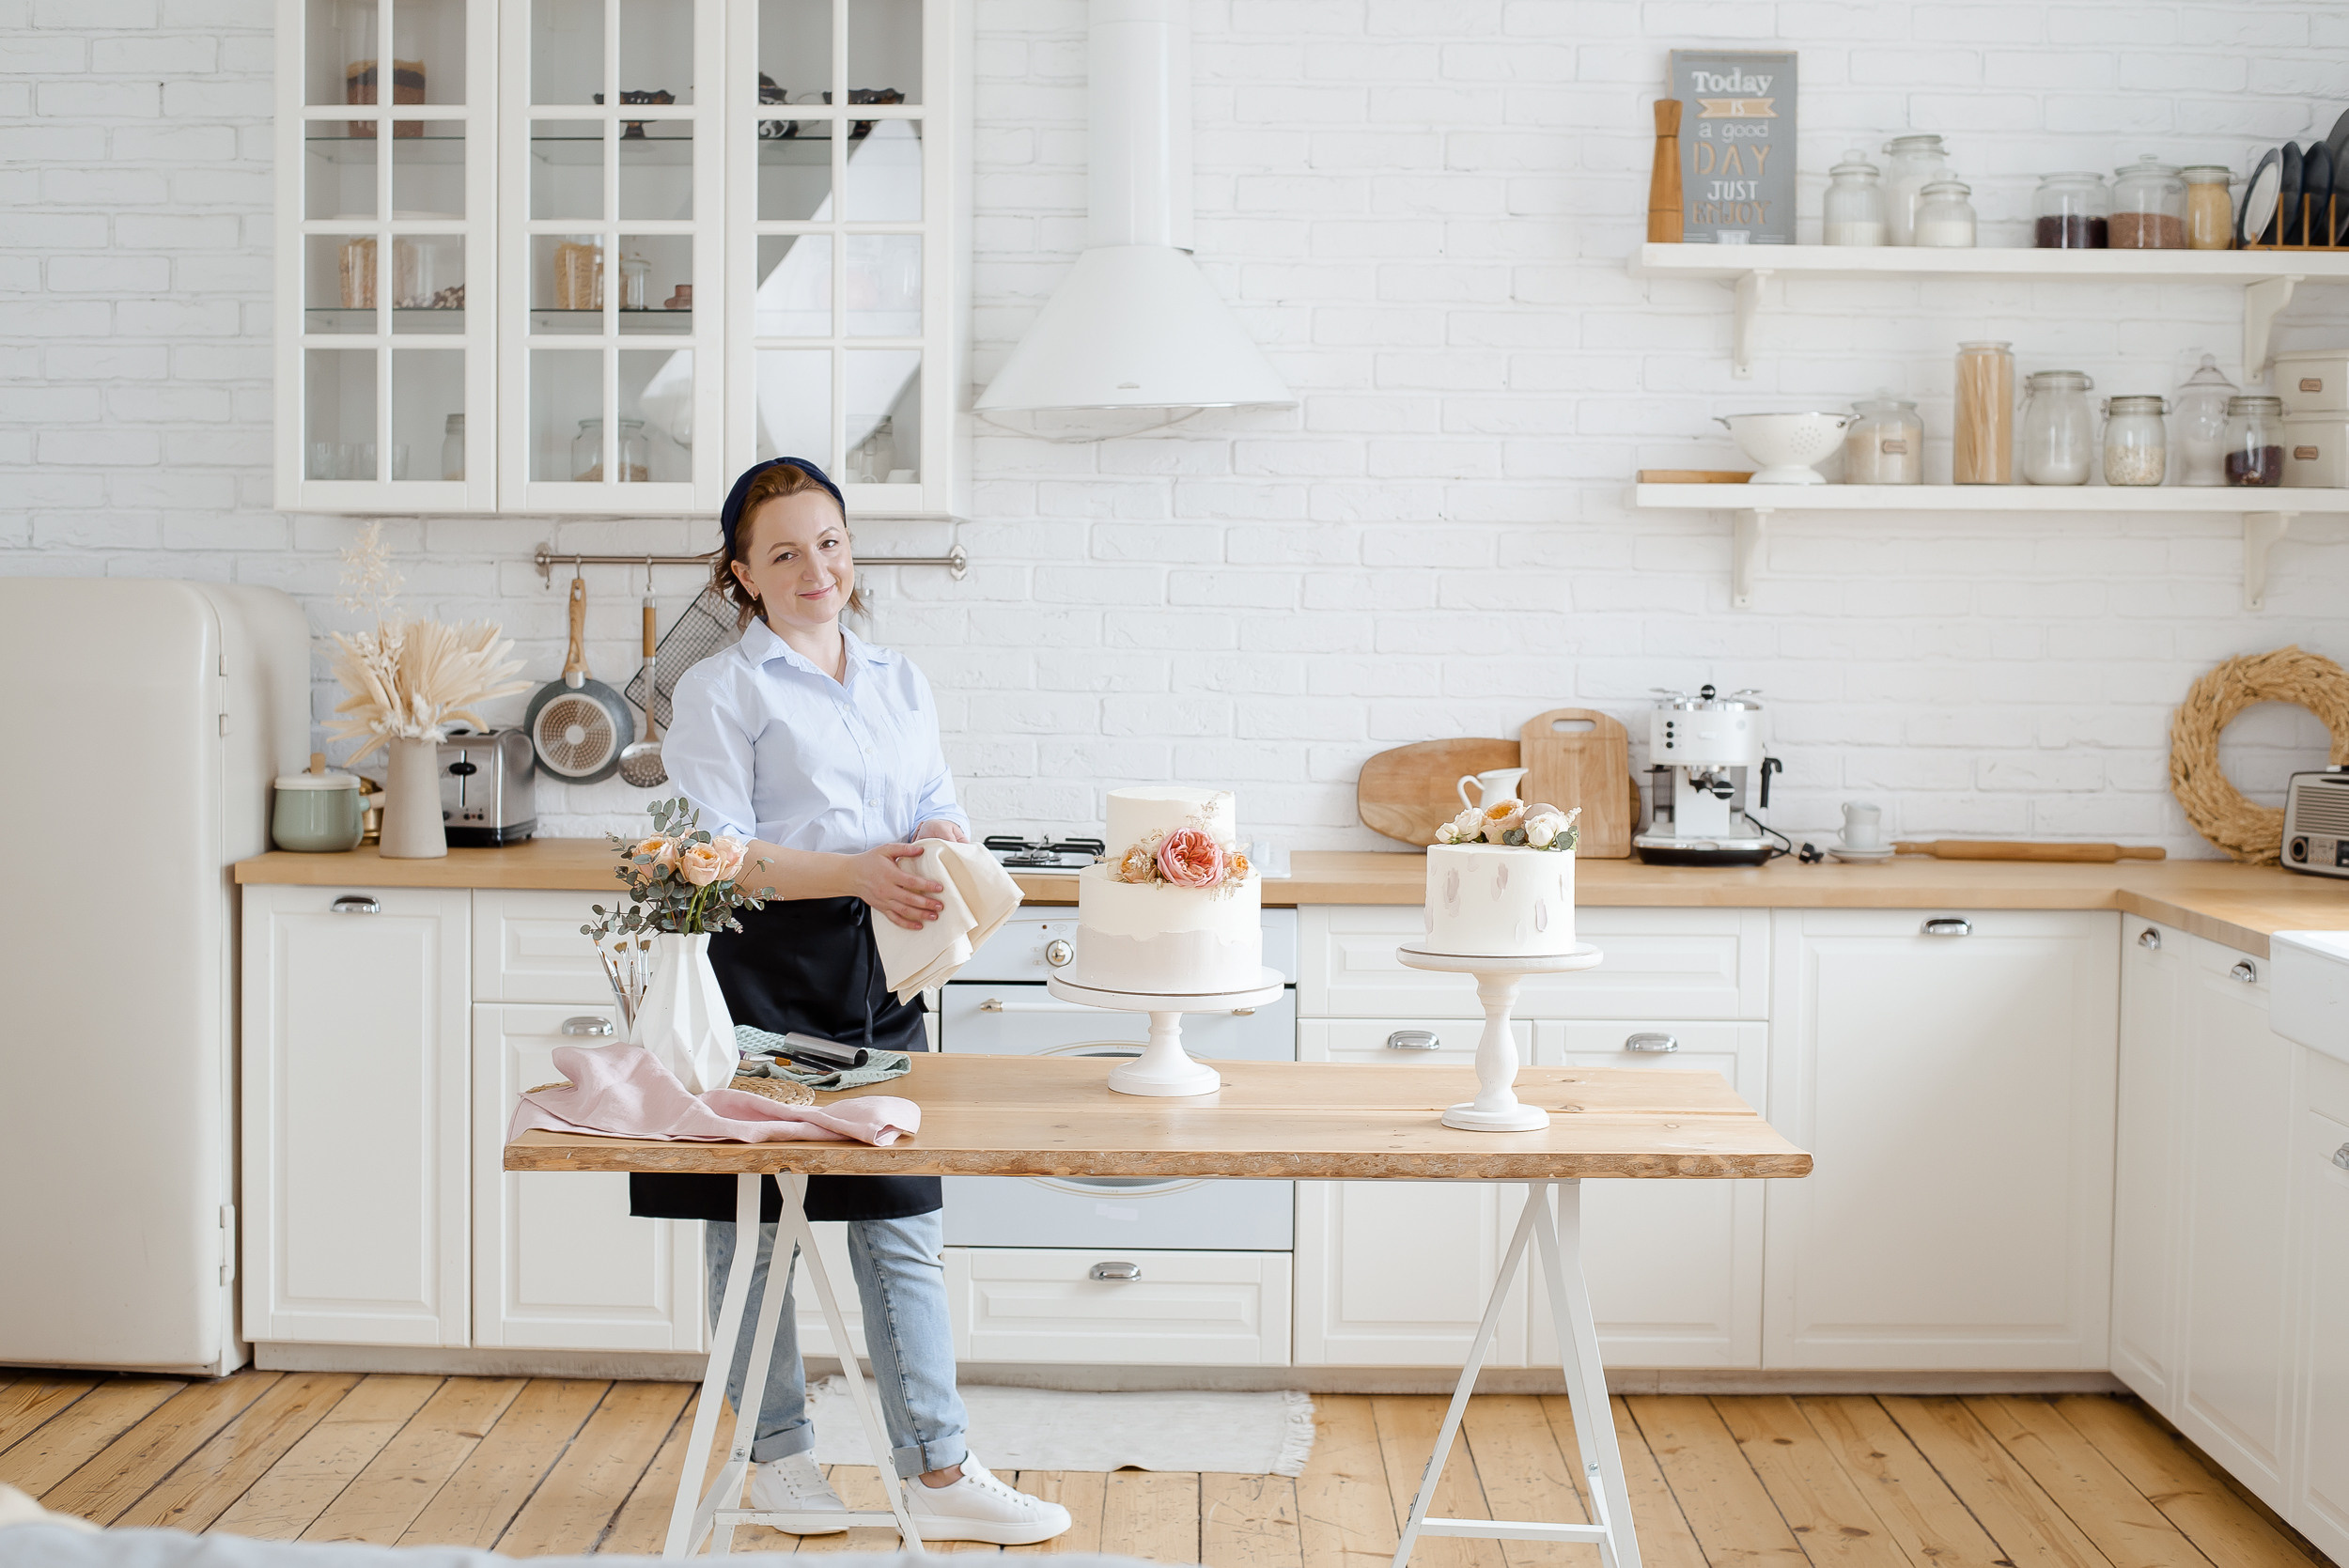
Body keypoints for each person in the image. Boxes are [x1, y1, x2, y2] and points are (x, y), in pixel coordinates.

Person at [637, 456, 1070, 1545]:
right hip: (758, 968)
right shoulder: (721, 688)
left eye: (827, 541)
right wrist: (860, 870)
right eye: (782, 551)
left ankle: (939, 1466)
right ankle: (776, 1458)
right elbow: (712, 854)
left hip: (875, 963)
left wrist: (940, 844)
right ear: (742, 573)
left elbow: (936, 800)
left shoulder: (897, 678)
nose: (814, 566)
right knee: (756, 1225)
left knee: (902, 1213)